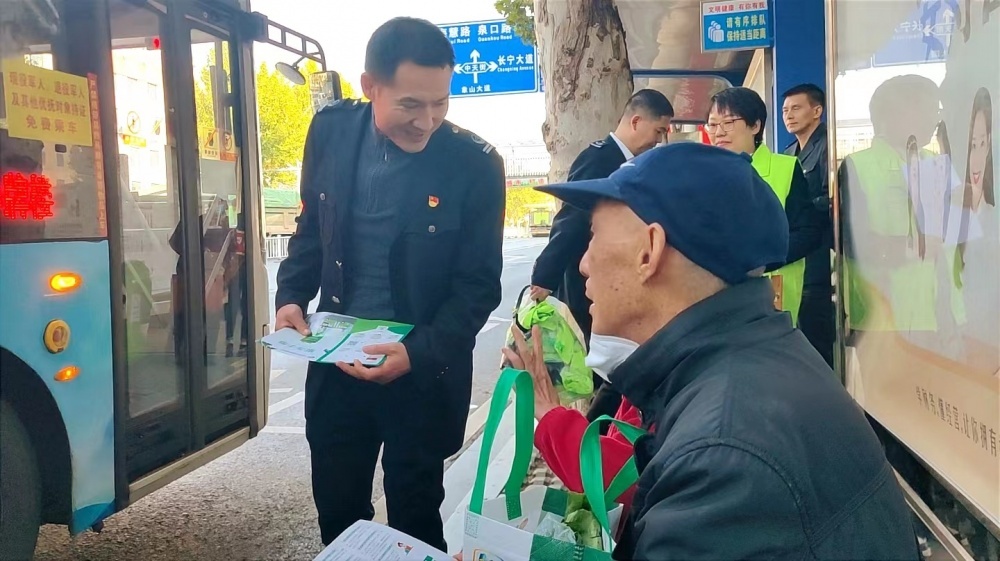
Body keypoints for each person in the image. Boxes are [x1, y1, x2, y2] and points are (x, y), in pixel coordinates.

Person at [512, 142, 918, 560]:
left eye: (594, 235)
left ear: (649, 251)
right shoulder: (755, 360)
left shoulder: (719, 456)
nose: (583, 264)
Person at [274, 17, 505, 551]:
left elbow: (477, 287)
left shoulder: (475, 164)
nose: (427, 122)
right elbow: (312, 227)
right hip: (337, 365)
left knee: (415, 519)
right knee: (339, 516)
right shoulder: (330, 131)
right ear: (369, 87)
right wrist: (291, 296)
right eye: (410, 105)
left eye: (440, 103)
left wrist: (416, 353)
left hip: (420, 372)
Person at [529, 89, 674, 423]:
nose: (659, 139)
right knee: (600, 367)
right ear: (636, 121)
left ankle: (602, 433)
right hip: (588, 284)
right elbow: (570, 220)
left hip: (617, 280)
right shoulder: (600, 159)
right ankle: (590, 437)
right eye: (658, 130)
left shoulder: (630, 162)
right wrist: (544, 277)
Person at [707, 87, 824, 331]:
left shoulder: (785, 168)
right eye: (713, 124)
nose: (718, 132)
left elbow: (808, 232)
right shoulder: (704, 175)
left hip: (772, 298)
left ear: (755, 126)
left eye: (728, 123)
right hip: (716, 300)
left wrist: (760, 262)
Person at [782, 83, 835, 366]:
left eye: (796, 108)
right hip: (799, 258)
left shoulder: (829, 145)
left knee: (819, 337)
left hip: (823, 253)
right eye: (785, 110)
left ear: (817, 111)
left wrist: (800, 211)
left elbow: (833, 199)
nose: (789, 115)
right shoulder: (789, 153)